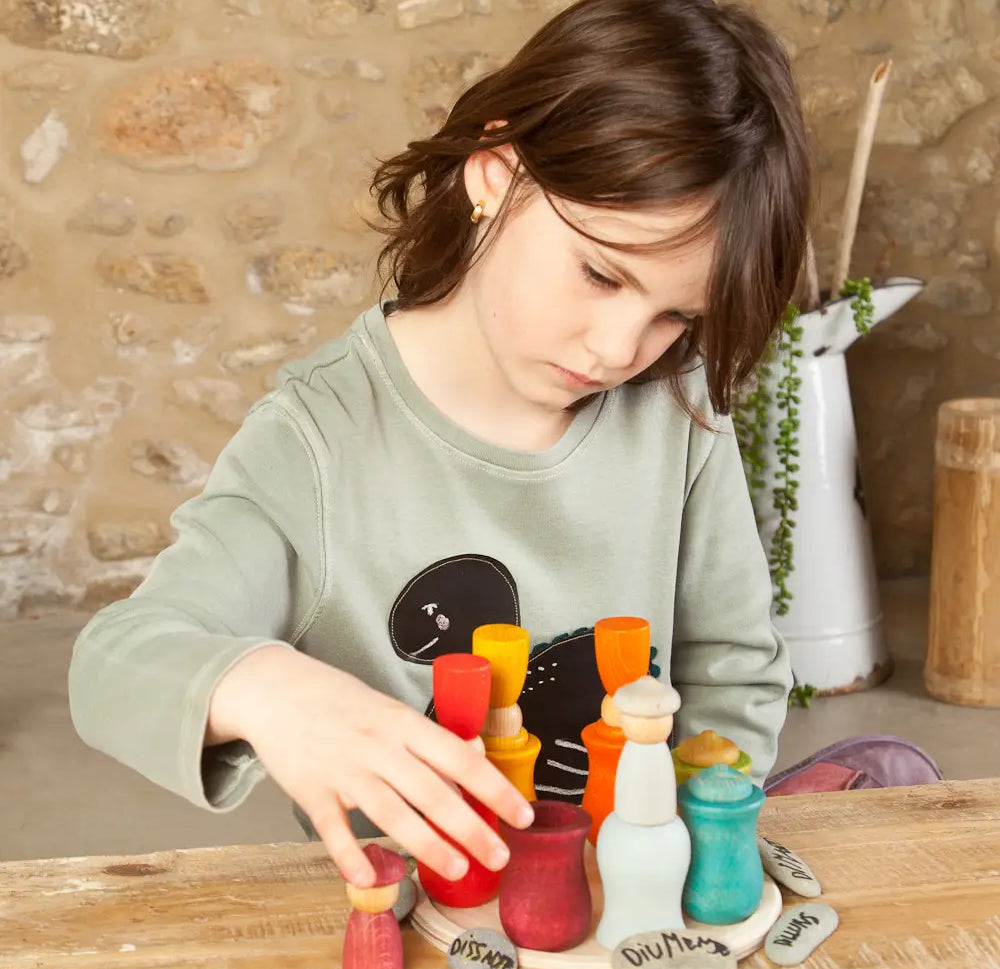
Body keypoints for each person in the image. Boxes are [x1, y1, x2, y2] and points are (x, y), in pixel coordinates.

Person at [68, 0, 810, 890]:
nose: (619, 350)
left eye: (675, 316)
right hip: (423, 934)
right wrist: (261, 685)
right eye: (601, 273)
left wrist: (683, 850)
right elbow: (114, 662)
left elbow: (733, 670)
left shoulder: (678, 415)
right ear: (495, 174)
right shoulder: (317, 441)